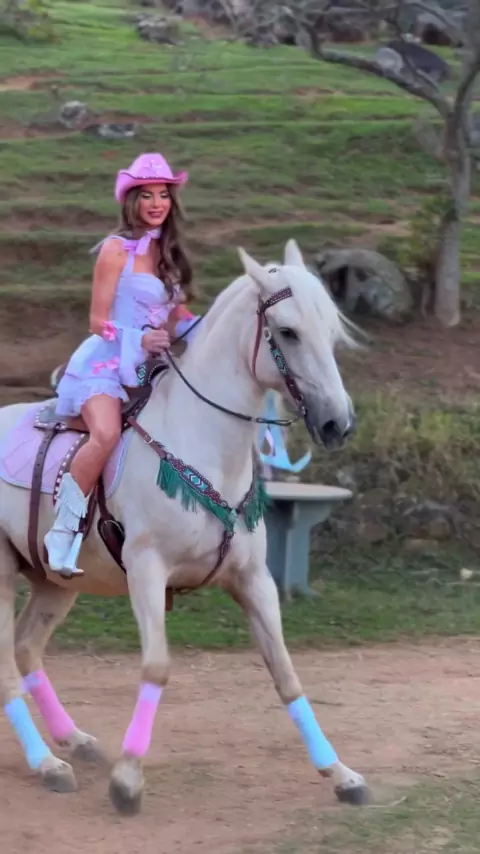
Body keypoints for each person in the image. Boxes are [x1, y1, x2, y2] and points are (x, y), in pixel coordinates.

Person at [44, 152, 199, 578]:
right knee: (106, 433)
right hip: (108, 363)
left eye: (163, 195)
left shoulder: (170, 254)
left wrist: (212, 328)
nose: (156, 203)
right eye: (147, 195)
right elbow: (97, 321)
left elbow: (178, 317)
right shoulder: (116, 250)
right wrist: (139, 339)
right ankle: (63, 529)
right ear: (132, 200)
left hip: (155, 366)